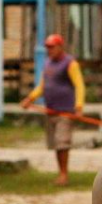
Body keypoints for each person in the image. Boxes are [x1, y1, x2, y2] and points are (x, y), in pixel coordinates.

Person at [20, 34, 85, 186]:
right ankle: (61, 173)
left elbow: (79, 85)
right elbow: (42, 86)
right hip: (51, 111)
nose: (49, 50)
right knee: (56, 144)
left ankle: (64, 175)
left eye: (52, 47)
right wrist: (30, 98)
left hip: (65, 111)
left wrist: (79, 106)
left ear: (60, 47)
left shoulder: (70, 63)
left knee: (62, 143)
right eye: (47, 47)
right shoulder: (48, 63)